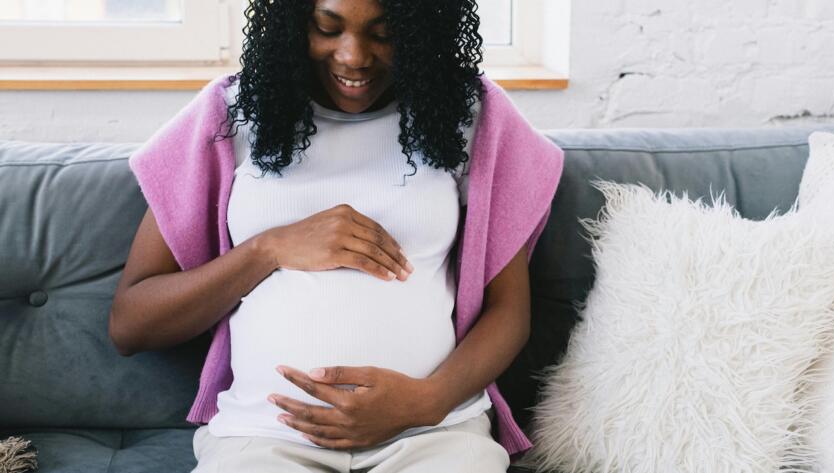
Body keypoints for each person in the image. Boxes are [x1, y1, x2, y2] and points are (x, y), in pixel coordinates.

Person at [108, 0, 564, 471]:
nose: (354, 56)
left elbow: (509, 311)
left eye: (384, 33)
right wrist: (270, 249)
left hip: (435, 432)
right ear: (292, 24)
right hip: (266, 437)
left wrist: (426, 402)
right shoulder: (231, 115)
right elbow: (131, 323)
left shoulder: (468, 116)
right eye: (327, 28)